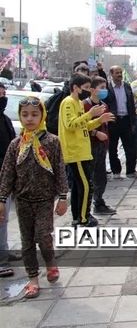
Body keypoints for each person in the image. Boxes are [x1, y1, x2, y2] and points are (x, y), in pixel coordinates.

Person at [0, 97, 69, 298]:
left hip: (45, 200)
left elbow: (60, 171)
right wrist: (2, 200)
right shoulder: (16, 144)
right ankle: (33, 279)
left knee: (43, 236)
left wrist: (63, 197)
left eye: (34, 114)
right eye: (25, 114)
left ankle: (50, 262)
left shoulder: (52, 141)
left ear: (42, 116)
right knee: (27, 241)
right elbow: (7, 174)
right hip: (22, 200)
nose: (30, 119)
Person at [59, 73, 114, 227]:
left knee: (80, 185)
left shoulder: (77, 103)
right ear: (75, 88)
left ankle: (78, 216)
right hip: (74, 151)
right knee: (86, 185)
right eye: (86, 88)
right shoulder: (69, 102)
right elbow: (70, 124)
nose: (88, 90)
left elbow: (83, 125)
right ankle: (83, 218)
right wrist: (90, 114)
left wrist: (98, 120)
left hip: (82, 150)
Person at [84, 77, 116, 215]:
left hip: (102, 146)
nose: (104, 90)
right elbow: (81, 125)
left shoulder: (104, 105)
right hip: (89, 146)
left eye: (105, 87)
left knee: (101, 177)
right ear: (92, 89)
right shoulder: (85, 105)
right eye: (101, 87)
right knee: (89, 177)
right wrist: (95, 133)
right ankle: (86, 208)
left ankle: (99, 202)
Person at [106, 65, 137, 179]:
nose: (119, 75)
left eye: (120, 72)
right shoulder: (107, 87)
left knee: (131, 147)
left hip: (126, 120)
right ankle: (116, 172)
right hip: (113, 121)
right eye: (117, 73)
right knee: (112, 148)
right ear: (111, 74)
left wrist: (133, 121)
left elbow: (131, 105)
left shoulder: (127, 86)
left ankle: (131, 171)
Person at [0, 85, 16, 278]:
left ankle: (3, 251)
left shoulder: (4, 119)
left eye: (4, 95)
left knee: (3, 217)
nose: (3, 99)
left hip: (6, 174)